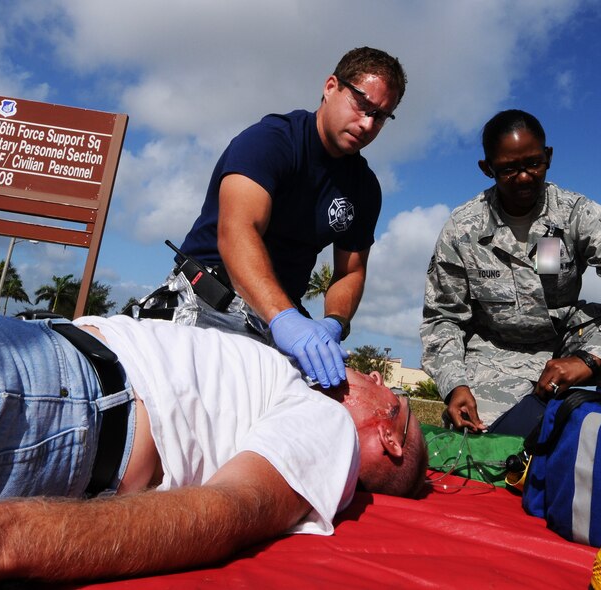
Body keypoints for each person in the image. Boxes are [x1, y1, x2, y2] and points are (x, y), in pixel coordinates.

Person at [0, 302, 426, 588]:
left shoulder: (327, 422)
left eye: (379, 387)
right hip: (30, 366)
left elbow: (229, 511)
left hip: (42, 397)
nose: (366, 374)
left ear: (389, 435)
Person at [128, 47, 407, 389]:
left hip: (281, 324)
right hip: (208, 302)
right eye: (361, 105)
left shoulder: (365, 188)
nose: (367, 124)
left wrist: (333, 323)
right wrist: (285, 319)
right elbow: (237, 233)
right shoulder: (271, 141)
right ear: (331, 86)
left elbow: (351, 271)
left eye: (380, 116)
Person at [420, 109, 601, 436]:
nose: (524, 177)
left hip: (571, 340)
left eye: (533, 164)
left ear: (548, 156)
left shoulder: (574, 213)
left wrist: (592, 357)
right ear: (487, 169)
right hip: (497, 355)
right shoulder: (463, 229)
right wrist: (454, 385)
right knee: (479, 438)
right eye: (509, 169)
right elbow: (442, 318)